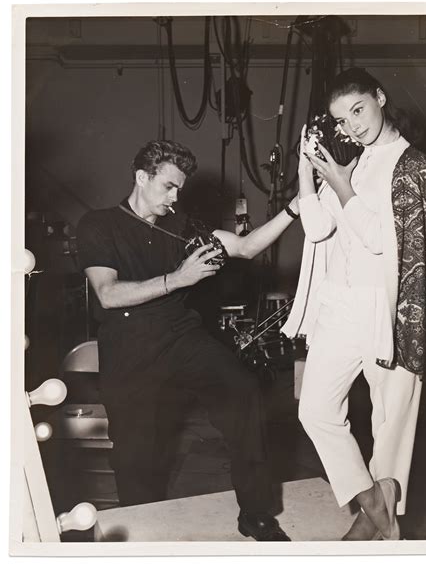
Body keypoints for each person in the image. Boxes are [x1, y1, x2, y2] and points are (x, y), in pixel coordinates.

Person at [76, 139, 300, 541]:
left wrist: (295, 208)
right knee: (135, 456)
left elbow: (246, 247)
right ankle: (141, 529)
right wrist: (179, 279)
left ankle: (255, 512)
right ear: (142, 178)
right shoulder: (99, 224)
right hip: (129, 346)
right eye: (168, 187)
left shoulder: (181, 227)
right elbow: (107, 294)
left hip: (181, 335)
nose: (176, 197)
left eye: (180, 188)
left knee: (242, 390)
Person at [282, 67, 426, 540]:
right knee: (314, 410)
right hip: (338, 306)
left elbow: (385, 240)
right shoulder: (353, 159)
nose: (353, 125)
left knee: (388, 428)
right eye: (343, 119)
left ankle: (373, 530)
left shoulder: (415, 165)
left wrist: (341, 185)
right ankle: (376, 507)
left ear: (380, 97)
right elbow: (316, 229)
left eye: (359, 110)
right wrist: (306, 172)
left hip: (385, 309)